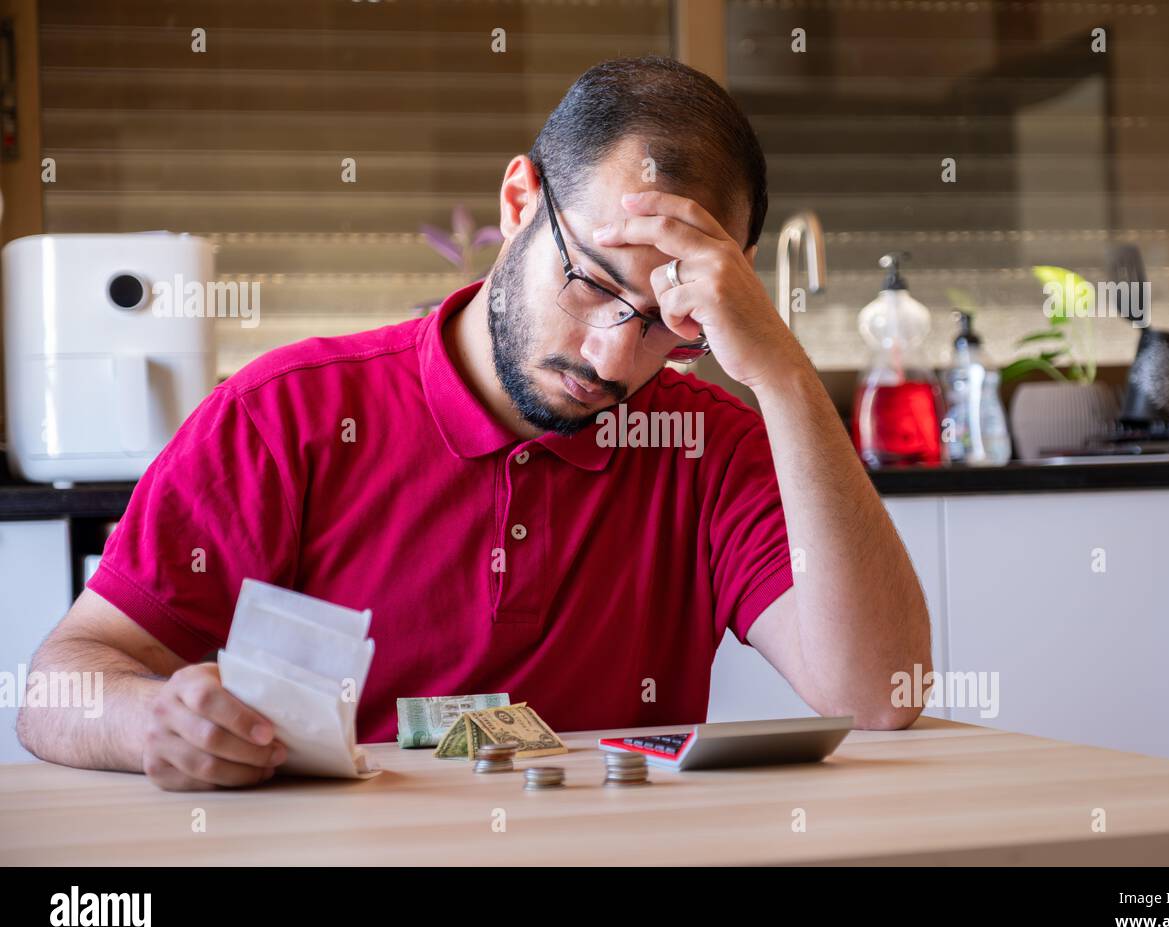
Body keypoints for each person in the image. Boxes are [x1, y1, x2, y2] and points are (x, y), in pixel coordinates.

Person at [18, 56, 931, 791]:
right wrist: (150, 722)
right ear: (519, 203)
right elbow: (59, 684)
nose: (614, 360)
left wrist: (779, 372)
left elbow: (878, 694)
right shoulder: (287, 415)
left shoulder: (704, 441)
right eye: (592, 285)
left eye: (668, 322)